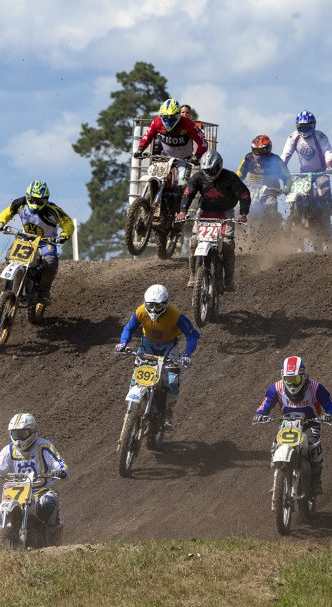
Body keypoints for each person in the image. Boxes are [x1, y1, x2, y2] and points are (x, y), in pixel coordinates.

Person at [114, 285, 200, 427]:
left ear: (166, 304)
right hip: (147, 344)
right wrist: (123, 343)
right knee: (137, 378)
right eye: (150, 306)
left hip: (169, 347)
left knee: (172, 381)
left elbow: (192, 334)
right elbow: (129, 327)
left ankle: (168, 413)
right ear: (145, 303)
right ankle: (130, 412)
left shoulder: (175, 315)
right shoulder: (141, 311)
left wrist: (187, 354)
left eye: (158, 307)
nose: (153, 310)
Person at [252, 356, 332, 495]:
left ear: (303, 377)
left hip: (310, 423)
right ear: (283, 377)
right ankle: (278, 481)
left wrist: (330, 414)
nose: (291, 384)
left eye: (295, 380)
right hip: (287, 424)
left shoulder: (315, 388)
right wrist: (260, 414)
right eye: (288, 379)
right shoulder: (276, 388)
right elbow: (265, 404)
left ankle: (315, 482)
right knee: (275, 445)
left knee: (313, 446)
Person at [0, 413, 68, 540]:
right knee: (4, 506)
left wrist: (60, 471)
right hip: (17, 490)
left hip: (41, 490)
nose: (19, 439)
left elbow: (58, 463)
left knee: (48, 502)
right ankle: (7, 534)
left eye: (22, 434)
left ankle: (52, 531)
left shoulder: (44, 446)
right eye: (16, 434)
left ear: (32, 431)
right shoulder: (8, 450)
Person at [176, 150, 250, 292]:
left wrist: (243, 213)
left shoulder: (230, 178)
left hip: (225, 214)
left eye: (212, 169)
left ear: (219, 166)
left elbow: (244, 194)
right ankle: (192, 275)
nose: (209, 173)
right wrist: (182, 211)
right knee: (194, 242)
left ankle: (229, 280)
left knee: (228, 244)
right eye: (206, 170)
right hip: (204, 213)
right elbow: (187, 194)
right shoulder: (197, 177)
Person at [0, 180, 74, 305]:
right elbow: (7, 212)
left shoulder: (52, 210)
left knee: (50, 261)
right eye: (32, 199)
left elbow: (68, 223)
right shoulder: (19, 203)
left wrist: (63, 236)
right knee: (10, 254)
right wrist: (1, 222)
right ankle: (9, 286)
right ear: (27, 196)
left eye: (39, 201)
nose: (35, 203)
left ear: (45, 200)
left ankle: (43, 292)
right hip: (26, 238)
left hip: (46, 241)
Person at [280, 110, 332, 217]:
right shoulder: (293, 137)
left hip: (321, 171)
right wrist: (280, 167)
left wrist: (329, 166)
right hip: (304, 173)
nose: (304, 129)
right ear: (297, 126)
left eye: (307, 126)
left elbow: (328, 152)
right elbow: (286, 154)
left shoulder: (320, 136)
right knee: (298, 192)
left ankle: (326, 213)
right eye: (302, 127)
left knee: (325, 191)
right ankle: (297, 212)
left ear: (313, 125)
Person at [137, 98, 208, 161]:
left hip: (185, 159)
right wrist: (140, 149)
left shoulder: (188, 124)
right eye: (165, 117)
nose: (168, 120)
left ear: (178, 115)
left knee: (182, 175)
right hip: (165, 157)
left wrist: (197, 156)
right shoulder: (157, 122)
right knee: (155, 173)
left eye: (171, 117)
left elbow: (203, 142)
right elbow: (147, 136)